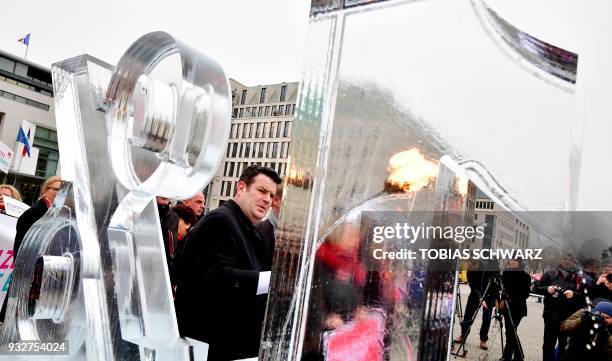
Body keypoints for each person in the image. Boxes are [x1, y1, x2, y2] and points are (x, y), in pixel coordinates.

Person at [175, 165, 282, 361]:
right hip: (213, 347)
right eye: (261, 190)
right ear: (241, 188)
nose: (267, 199)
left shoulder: (249, 228)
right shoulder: (219, 221)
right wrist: (272, 281)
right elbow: (216, 278)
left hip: (235, 347)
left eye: (271, 195)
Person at [0, 176, 60, 322]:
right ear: (46, 191)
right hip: (30, 275)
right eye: (58, 189)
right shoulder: (34, 213)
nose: (61, 193)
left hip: (44, 276)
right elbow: (23, 247)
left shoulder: (54, 213)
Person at [535, 252, 585, 361]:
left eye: (570, 259)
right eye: (564, 258)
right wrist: (547, 290)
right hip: (550, 316)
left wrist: (574, 295)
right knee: (548, 344)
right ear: (560, 260)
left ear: (573, 261)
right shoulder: (550, 274)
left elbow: (585, 297)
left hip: (568, 318)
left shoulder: (579, 277)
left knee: (564, 346)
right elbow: (536, 288)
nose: (567, 261)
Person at [456, 259, 495, 350]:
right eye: (468, 264)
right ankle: (463, 335)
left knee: (486, 319)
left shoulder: (487, 270)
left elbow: (493, 285)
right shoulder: (470, 271)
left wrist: (493, 299)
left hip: (488, 296)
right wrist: (480, 297)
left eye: (471, 264)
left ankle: (483, 340)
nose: (469, 267)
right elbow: (473, 286)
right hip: (474, 295)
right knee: (467, 317)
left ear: (477, 263)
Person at [498, 259, 531, 361]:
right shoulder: (506, 272)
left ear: (520, 262)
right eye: (511, 260)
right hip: (507, 305)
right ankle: (518, 356)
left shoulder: (525, 276)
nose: (512, 262)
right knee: (511, 332)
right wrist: (503, 299)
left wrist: (511, 297)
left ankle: (506, 356)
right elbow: (503, 289)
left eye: (515, 260)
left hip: (518, 308)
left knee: (511, 331)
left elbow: (526, 294)